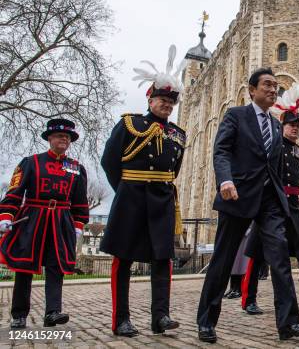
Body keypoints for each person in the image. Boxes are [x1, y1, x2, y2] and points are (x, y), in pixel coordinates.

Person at [196, 68, 299, 343]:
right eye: (267, 85)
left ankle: (289, 323)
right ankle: (206, 321)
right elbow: (222, 150)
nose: (273, 90)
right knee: (223, 261)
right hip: (237, 197)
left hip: (269, 202)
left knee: (280, 258)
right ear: (252, 90)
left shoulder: (275, 125)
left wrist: (284, 200)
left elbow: (274, 167)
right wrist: (225, 180)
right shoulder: (236, 116)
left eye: (276, 86)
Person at [100, 45, 185, 337]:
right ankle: (121, 319)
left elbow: (175, 170)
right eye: (162, 99)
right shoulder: (129, 124)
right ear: (150, 98)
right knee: (123, 259)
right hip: (131, 198)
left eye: (170, 101)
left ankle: (160, 316)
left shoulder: (178, 134)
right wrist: (124, 190)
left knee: (163, 259)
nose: (166, 105)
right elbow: (109, 161)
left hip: (161, 201)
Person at [241, 84, 299, 316]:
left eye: (298, 126)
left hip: (293, 206)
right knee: (257, 254)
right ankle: (248, 299)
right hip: (272, 204)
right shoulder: (273, 146)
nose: (295, 129)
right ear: (282, 126)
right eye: (291, 125)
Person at [0, 119, 88, 329]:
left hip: (61, 222)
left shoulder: (76, 168)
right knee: (24, 267)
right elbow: (14, 193)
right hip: (32, 219)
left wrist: (78, 224)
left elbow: (80, 201)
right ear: (50, 139)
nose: (63, 140)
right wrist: (6, 216)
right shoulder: (30, 162)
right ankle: (19, 314)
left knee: (56, 267)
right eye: (59, 136)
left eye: (67, 137)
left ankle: (53, 312)